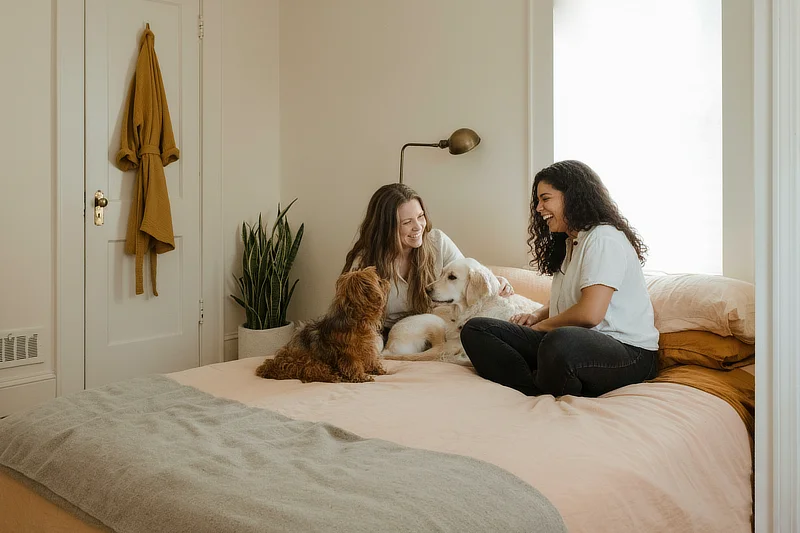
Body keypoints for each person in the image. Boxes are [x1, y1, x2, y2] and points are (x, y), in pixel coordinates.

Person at [460, 160, 659, 398]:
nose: (538, 208)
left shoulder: (604, 239)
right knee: (478, 329)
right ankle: (534, 387)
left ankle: (545, 379)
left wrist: (541, 328)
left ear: (572, 196)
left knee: (560, 341)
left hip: (629, 354)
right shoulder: (571, 242)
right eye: (538, 201)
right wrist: (537, 315)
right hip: (573, 343)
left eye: (546, 198)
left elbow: (589, 314)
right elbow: (573, 300)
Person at [342, 183, 512, 336]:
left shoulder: (438, 241)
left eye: (421, 216)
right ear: (387, 228)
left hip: (437, 326)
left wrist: (496, 280)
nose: (418, 227)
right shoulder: (365, 263)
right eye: (407, 222)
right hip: (385, 334)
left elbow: (465, 275)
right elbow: (355, 320)